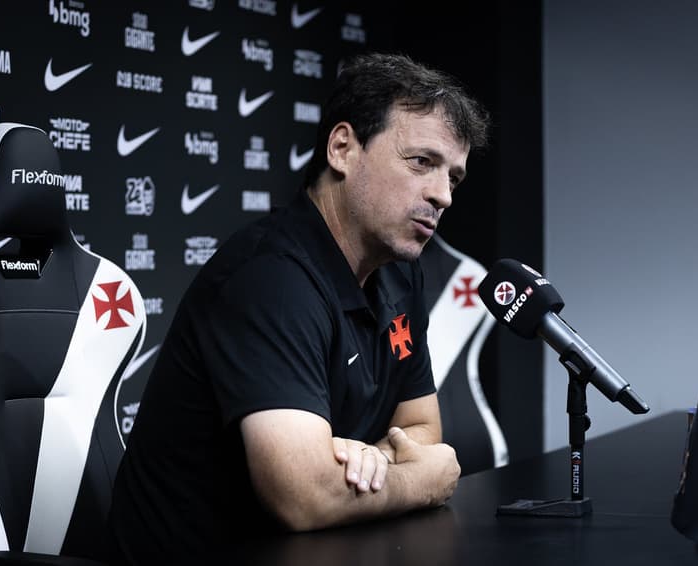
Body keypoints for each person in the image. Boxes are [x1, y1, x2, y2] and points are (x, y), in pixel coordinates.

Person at [107, 51, 490, 565]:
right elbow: (303, 495)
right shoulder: (270, 276)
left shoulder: (400, 271)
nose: (442, 195)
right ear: (342, 148)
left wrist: (369, 458)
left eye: (454, 178)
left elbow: (422, 429)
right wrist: (424, 479)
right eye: (421, 162)